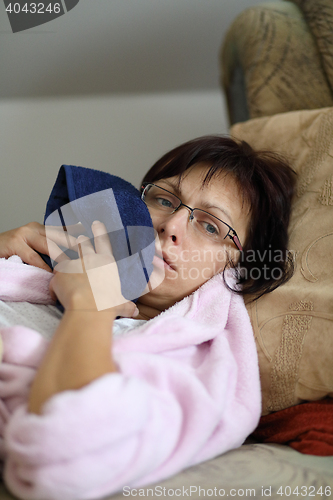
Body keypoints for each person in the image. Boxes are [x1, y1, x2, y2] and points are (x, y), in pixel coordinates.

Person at [0, 135, 296, 500]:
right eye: (164, 199)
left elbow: (68, 455)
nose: (171, 225)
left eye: (210, 226)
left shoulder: (193, 367)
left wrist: (90, 301)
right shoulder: (37, 267)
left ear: (238, 270)